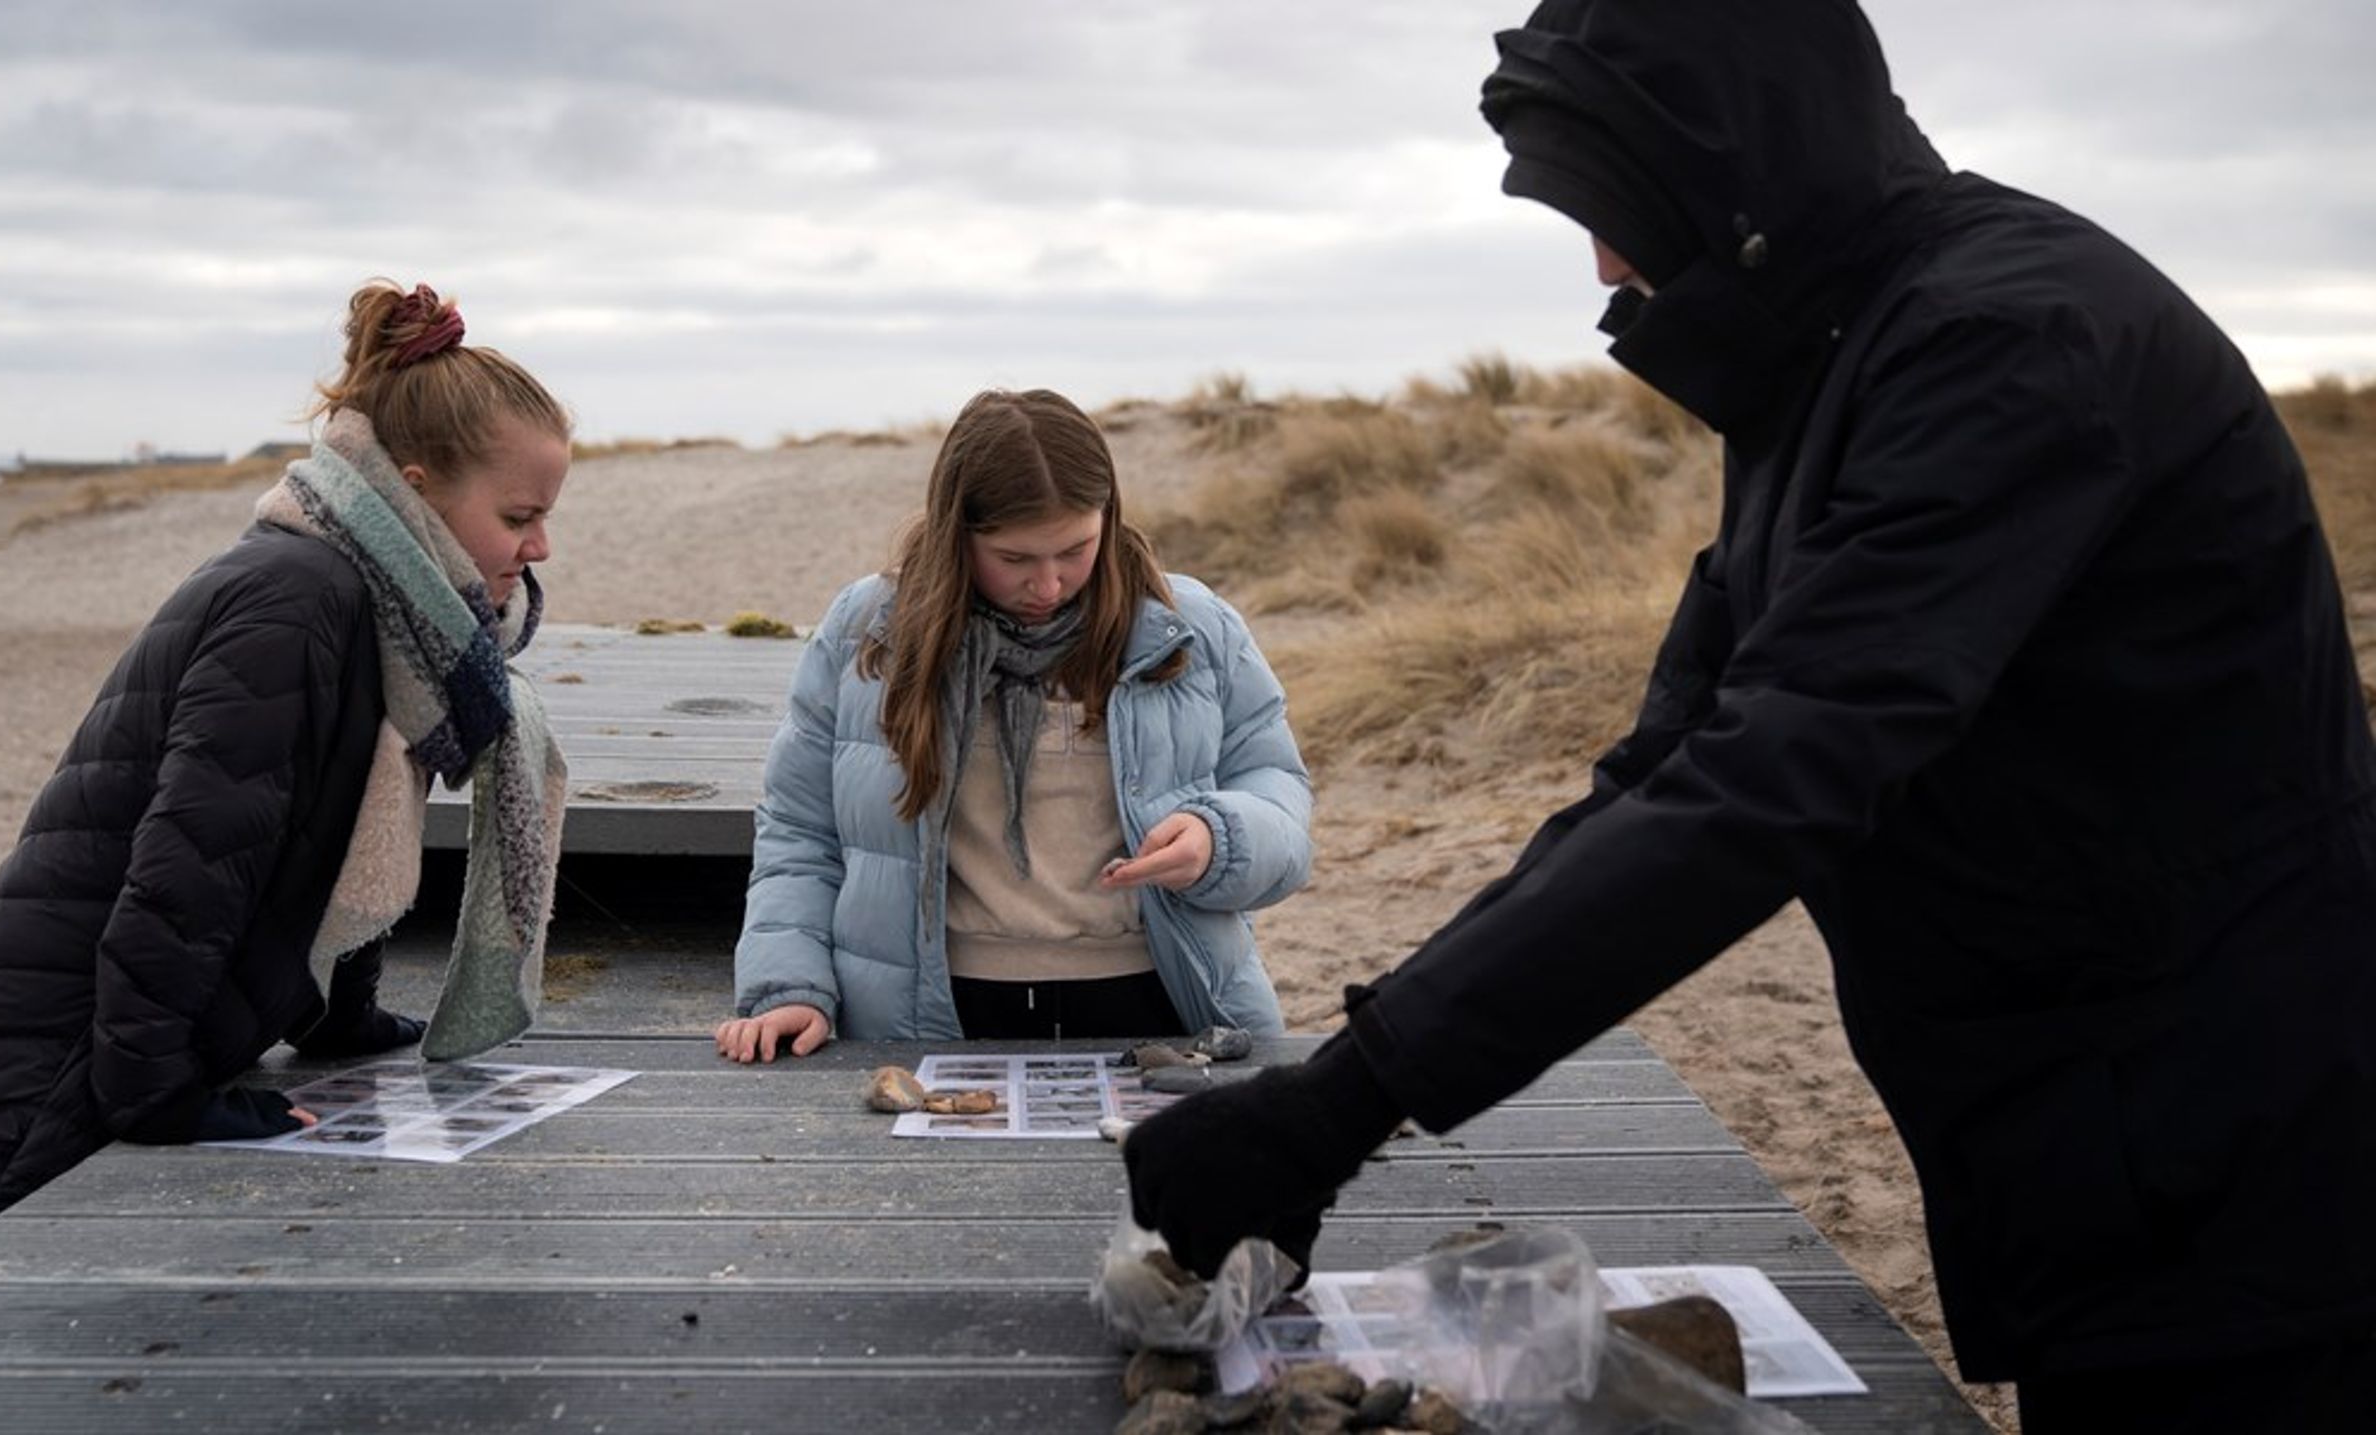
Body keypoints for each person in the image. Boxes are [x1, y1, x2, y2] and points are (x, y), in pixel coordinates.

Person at [1123, 1, 2376, 1426]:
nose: (1605, 264)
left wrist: (1341, 1106)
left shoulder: (2004, 342)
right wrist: (1339, 1086)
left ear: (1729, 172)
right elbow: (1669, 763)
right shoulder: (1841, 355)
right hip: (2103, 1114)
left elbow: (1773, 778)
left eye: (1612, 211)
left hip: (2239, 1127)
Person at [0, 280, 573, 1324]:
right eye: (519, 517)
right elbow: (190, 866)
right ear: (415, 491)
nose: (539, 548)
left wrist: (340, 1016)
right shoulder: (296, 602)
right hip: (43, 1055)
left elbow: (345, 830)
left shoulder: (383, 605)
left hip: (96, 1032)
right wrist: (162, 1096)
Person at [716, 388, 1309, 1062]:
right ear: (957, 534)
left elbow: (1277, 790)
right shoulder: (866, 630)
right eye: (1015, 559)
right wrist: (790, 987)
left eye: (1076, 549)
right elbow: (800, 830)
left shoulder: (1194, 625)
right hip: (931, 1013)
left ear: (1108, 517)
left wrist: (1219, 837)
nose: (1049, 585)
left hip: (1165, 1000)